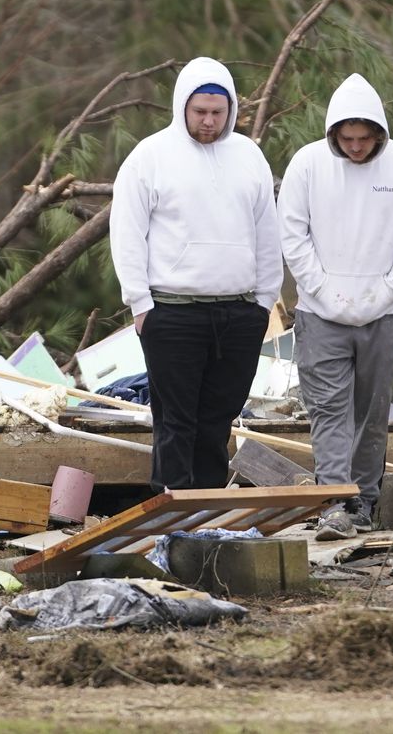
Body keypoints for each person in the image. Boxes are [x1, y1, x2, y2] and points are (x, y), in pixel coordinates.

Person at [109, 56, 282, 493]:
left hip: (239, 312)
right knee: (176, 422)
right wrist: (140, 303)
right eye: (200, 112)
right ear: (182, 106)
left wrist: (264, 302)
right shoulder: (150, 157)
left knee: (217, 421)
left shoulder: (248, 157)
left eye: (217, 113)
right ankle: (172, 520)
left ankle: (208, 514)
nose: (208, 121)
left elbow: (267, 230)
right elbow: (127, 231)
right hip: (172, 310)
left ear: (231, 111)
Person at [278, 73, 393, 541]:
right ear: (332, 134)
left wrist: (388, 289)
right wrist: (321, 288)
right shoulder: (307, 164)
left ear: (379, 133)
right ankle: (335, 501)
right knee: (329, 409)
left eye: (365, 139)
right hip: (320, 310)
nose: (355, 147)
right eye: (346, 139)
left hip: (383, 311)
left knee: (371, 410)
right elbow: (293, 232)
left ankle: (365, 501)